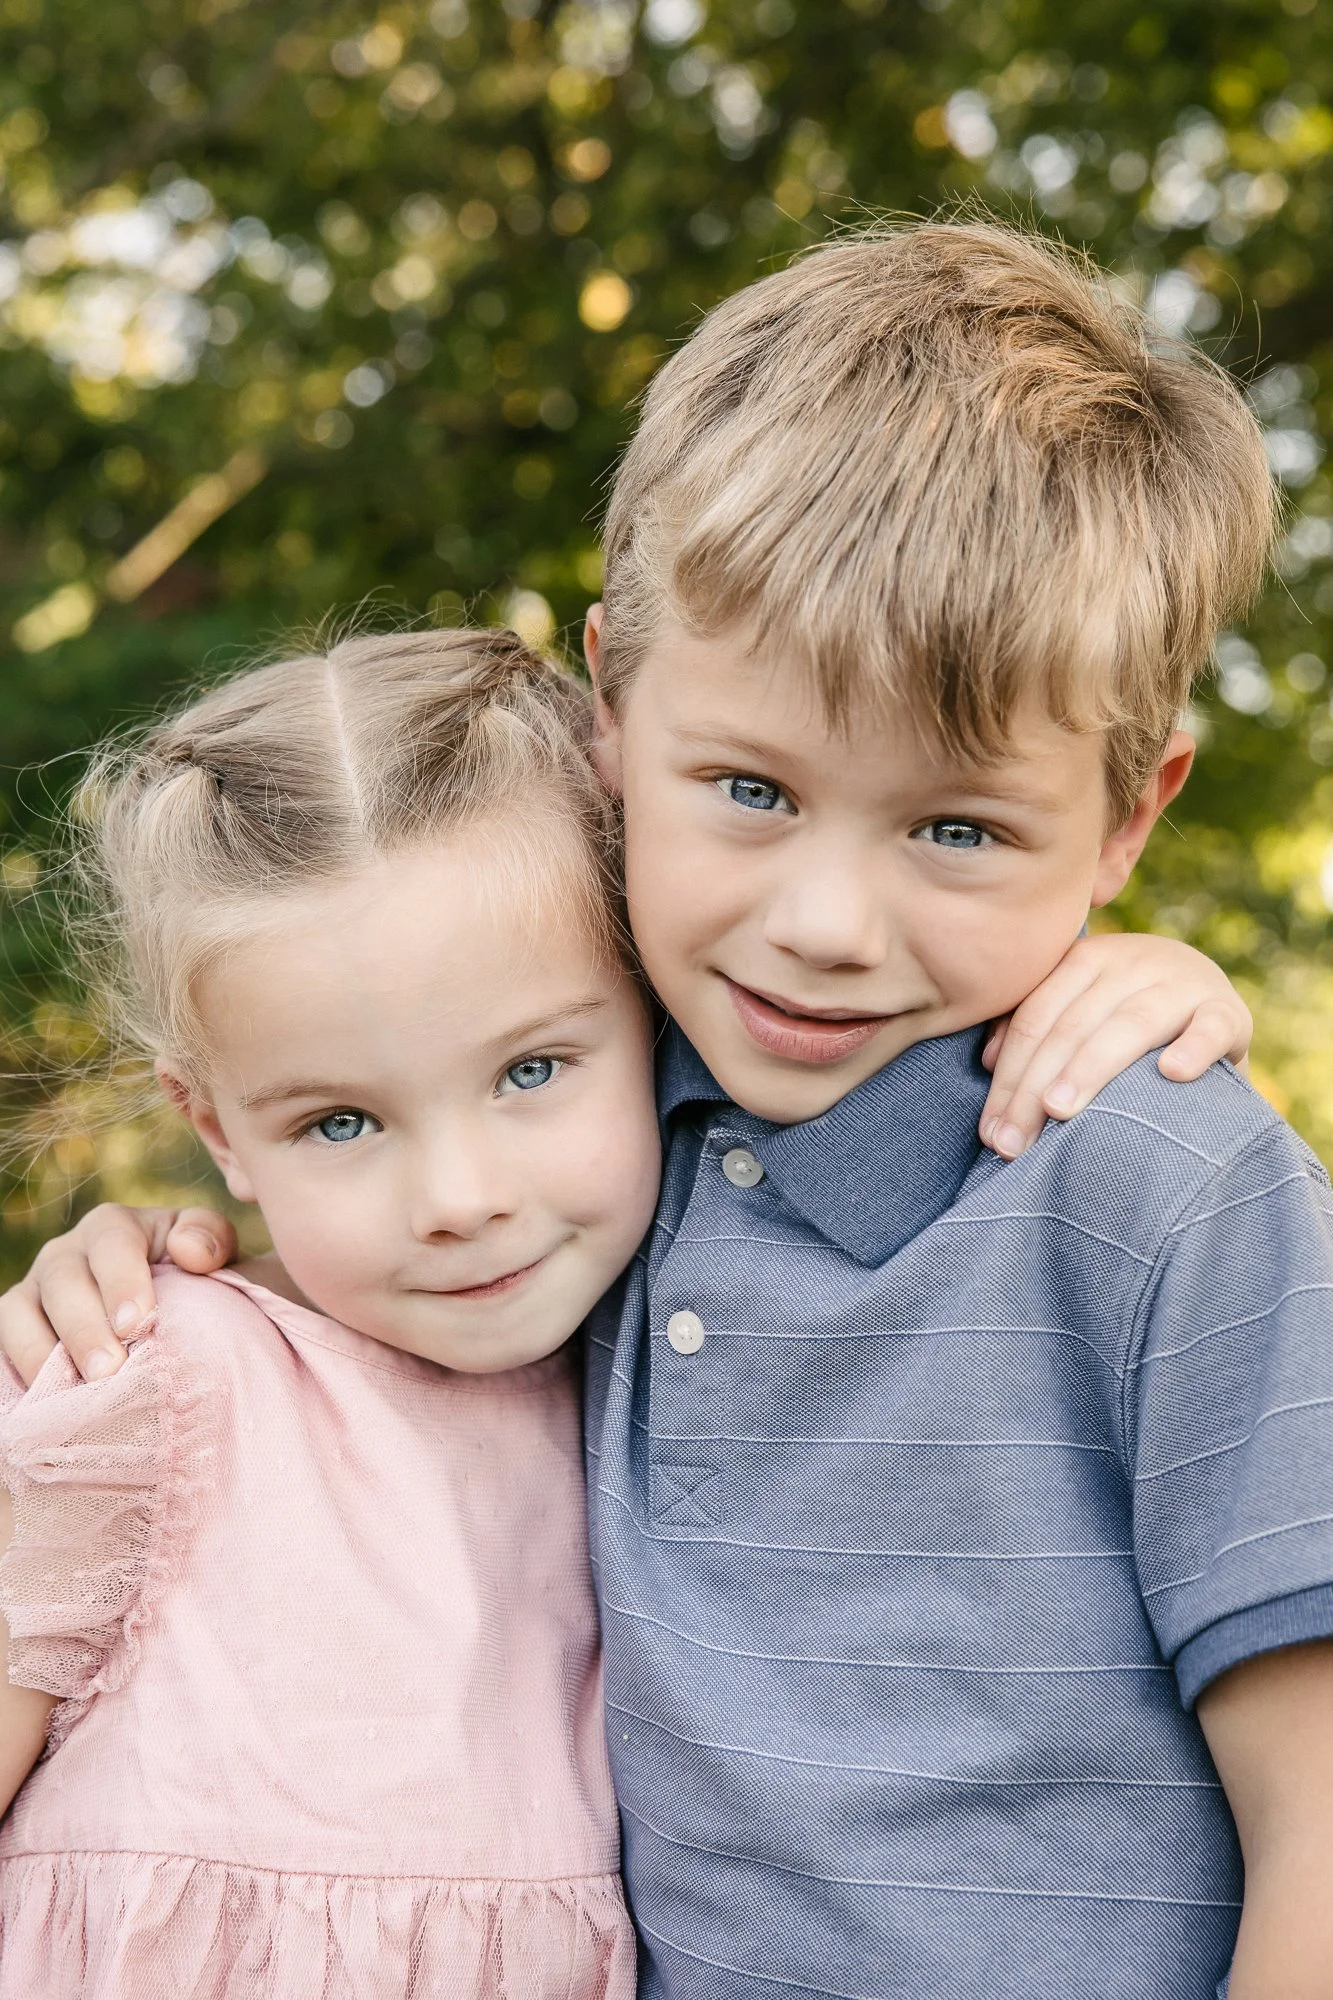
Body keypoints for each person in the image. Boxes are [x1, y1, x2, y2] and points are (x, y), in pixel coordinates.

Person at [1, 221, 1314, 1999]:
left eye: (960, 830)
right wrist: (130, 1271)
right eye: (751, 789)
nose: (825, 927)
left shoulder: (1170, 1187)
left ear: (1128, 818)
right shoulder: (609, 1143)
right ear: (612, 703)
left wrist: (1181, 995)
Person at [0, 628, 659, 1997]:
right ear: (218, 1130)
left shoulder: (674, 1365)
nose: (459, 1196)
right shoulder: (148, 1381)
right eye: (341, 1120)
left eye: (532, 1069)